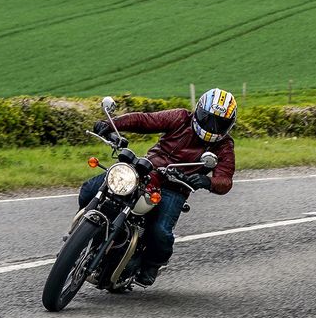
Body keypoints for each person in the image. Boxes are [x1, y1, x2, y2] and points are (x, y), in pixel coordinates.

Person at [78, 88, 238, 287]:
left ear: (228, 126)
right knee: (90, 188)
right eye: (208, 119)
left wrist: (206, 181)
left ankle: (152, 264)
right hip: (146, 169)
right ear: (198, 111)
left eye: (219, 123)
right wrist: (111, 124)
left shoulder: (224, 145)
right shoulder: (180, 118)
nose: (212, 127)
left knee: (161, 231)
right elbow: (145, 120)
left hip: (176, 186)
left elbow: (225, 179)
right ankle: (80, 234)